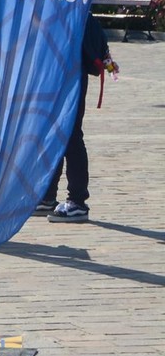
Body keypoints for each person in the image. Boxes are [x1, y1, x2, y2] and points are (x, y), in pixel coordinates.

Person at [39, 16, 117, 224]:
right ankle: (47, 196)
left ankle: (78, 202)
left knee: (71, 135)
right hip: (56, 74)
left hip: (71, 76)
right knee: (54, 135)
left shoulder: (74, 4)